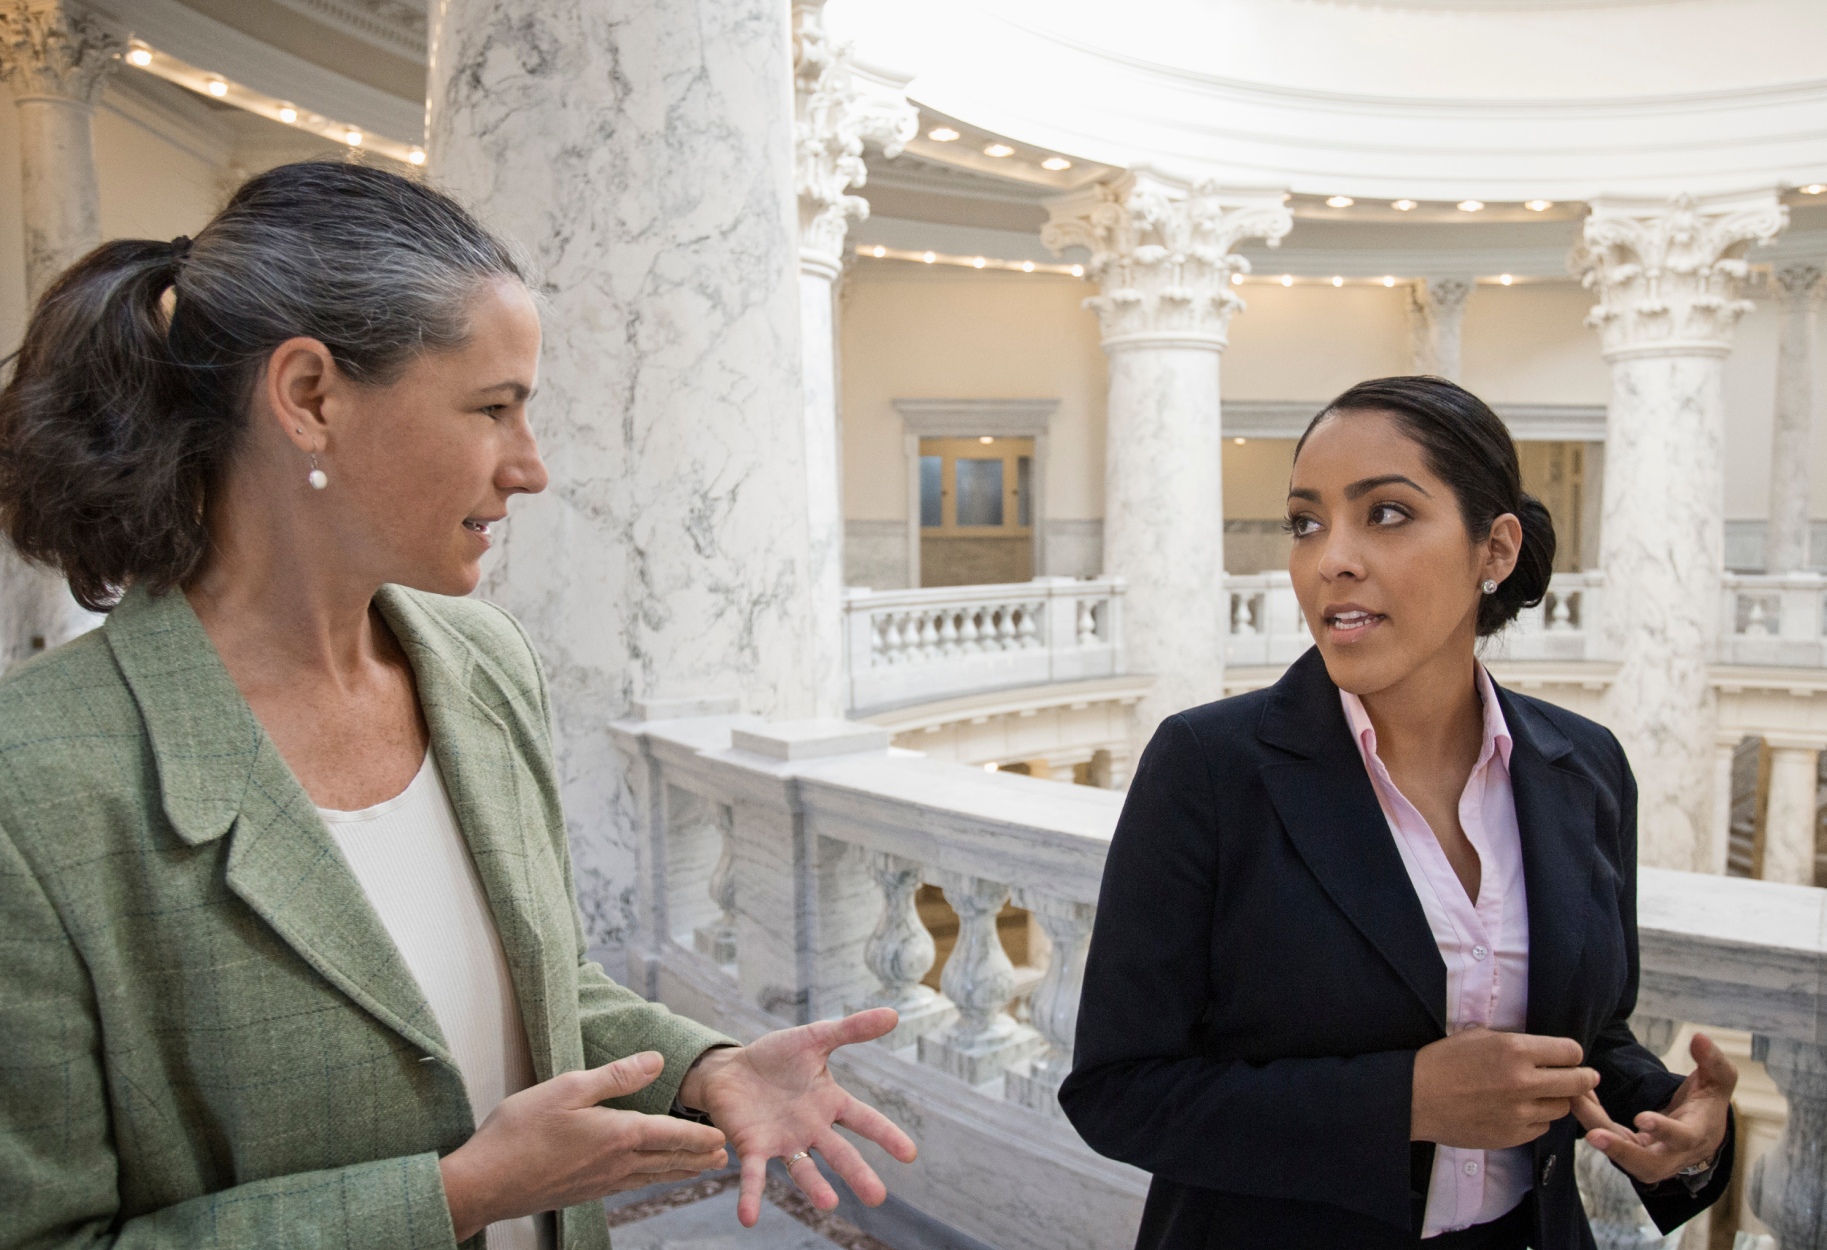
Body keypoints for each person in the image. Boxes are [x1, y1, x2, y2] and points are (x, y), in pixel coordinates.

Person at [0, 161, 914, 1250]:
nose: (529, 468)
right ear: (309, 398)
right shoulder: (35, 783)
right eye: (493, 408)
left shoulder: (480, 661)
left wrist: (702, 1066)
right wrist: (457, 1194)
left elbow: (542, 989)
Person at [1061, 376, 1737, 1249]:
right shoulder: (1208, 768)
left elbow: (1589, 1029)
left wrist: (1669, 1119)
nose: (1330, 557)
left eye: (1385, 513)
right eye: (1306, 522)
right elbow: (1118, 1092)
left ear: (1494, 550)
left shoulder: (1586, 766)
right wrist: (1406, 1102)